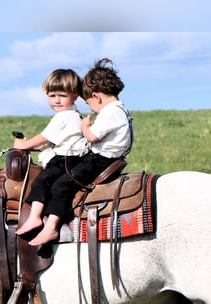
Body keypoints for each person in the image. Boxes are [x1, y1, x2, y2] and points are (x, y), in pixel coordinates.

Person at [22, 58, 133, 247]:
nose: (90, 108)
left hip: (100, 159)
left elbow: (92, 138)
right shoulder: (121, 111)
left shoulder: (109, 113)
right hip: (105, 157)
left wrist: (85, 127)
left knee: (61, 184)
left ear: (97, 97)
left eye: (89, 103)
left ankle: (52, 227)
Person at [13, 69, 87, 238]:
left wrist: (24, 145)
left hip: (65, 159)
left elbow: (43, 138)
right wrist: (30, 146)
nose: (57, 100)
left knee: (41, 181)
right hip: (70, 158)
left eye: (62, 95)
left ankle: (35, 217)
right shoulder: (74, 115)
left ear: (75, 96)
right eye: (52, 96)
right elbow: (51, 142)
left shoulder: (64, 117)